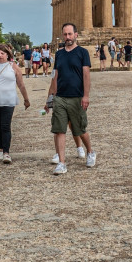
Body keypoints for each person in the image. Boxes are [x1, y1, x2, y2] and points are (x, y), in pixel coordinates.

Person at [45, 22, 95, 175]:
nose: (67, 37)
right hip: (60, 97)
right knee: (59, 130)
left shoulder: (82, 53)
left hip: (77, 97)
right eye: (65, 34)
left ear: (75, 35)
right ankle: (62, 162)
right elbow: (55, 76)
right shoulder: (59, 54)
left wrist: (86, 96)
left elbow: (86, 75)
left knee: (79, 129)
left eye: (70, 34)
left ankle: (90, 151)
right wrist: (49, 98)